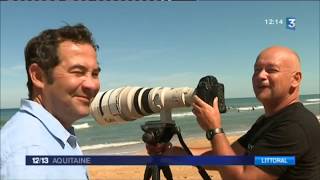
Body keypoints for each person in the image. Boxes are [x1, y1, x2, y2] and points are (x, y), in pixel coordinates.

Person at [147, 46, 320, 179]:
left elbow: (240, 176)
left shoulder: (294, 126)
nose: (260, 76)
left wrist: (214, 130)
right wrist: (173, 153)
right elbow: (229, 156)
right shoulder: (269, 120)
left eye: (271, 70)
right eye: (256, 70)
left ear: (295, 79)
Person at [1, 24, 101, 180]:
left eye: (94, 73)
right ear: (38, 76)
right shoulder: (31, 150)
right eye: (78, 72)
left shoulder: (55, 134)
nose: (92, 85)